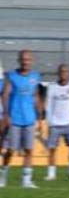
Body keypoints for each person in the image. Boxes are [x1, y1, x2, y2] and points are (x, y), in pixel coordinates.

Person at [0, 50, 43, 189]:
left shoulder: (35, 76)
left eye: (28, 59)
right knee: (10, 150)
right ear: (19, 60)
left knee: (29, 150)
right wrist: (6, 115)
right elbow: (5, 95)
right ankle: (3, 176)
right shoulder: (12, 76)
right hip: (15, 119)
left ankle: (26, 180)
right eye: (23, 59)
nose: (26, 62)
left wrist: (40, 115)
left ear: (32, 61)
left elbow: (36, 95)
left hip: (29, 119)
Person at [44, 64, 69, 182]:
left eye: (66, 72)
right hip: (55, 123)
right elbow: (47, 103)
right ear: (58, 73)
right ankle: (51, 174)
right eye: (61, 72)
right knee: (52, 149)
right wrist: (47, 120)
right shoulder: (52, 87)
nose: (63, 74)